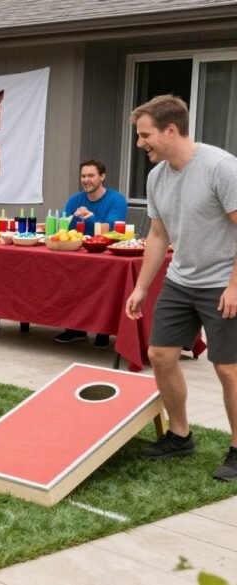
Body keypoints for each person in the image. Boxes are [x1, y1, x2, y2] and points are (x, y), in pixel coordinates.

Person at [125, 95, 237, 482]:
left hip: (224, 281)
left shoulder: (221, 168)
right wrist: (142, 286)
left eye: (145, 135)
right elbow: (158, 235)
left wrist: (234, 286)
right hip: (181, 279)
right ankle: (180, 435)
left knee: (227, 369)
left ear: (170, 130)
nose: (140, 144)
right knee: (160, 355)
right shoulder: (157, 177)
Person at [54, 159, 128, 346]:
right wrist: (72, 218)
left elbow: (114, 227)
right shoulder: (75, 200)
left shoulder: (116, 199)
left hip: (106, 254)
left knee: (106, 283)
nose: (86, 180)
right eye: (83, 176)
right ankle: (75, 327)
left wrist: (91, 217)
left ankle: (103, 330)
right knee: (63, 275)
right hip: (78, 255)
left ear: (102, 176)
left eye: (91, 176)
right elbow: (64, 227)